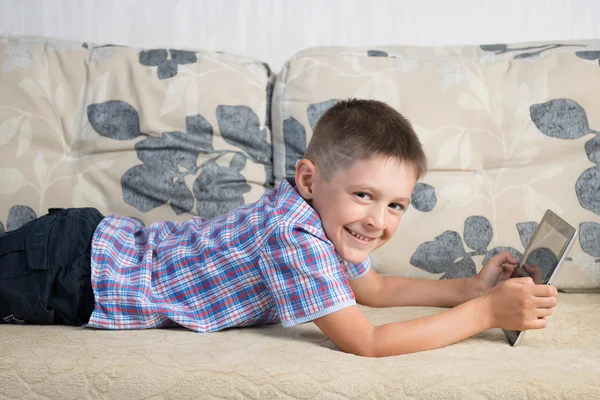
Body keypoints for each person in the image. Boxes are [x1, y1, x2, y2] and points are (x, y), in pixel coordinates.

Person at [0, 99, 558, 357]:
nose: (377, 220)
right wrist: (483, 314)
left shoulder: (328, 227)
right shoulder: (294, 237)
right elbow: (364, 340)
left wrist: (468, 289)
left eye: (395, 206)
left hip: (87, 249)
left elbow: (371, 288)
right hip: (75, 271)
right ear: (310, 180)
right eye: (364, 195)